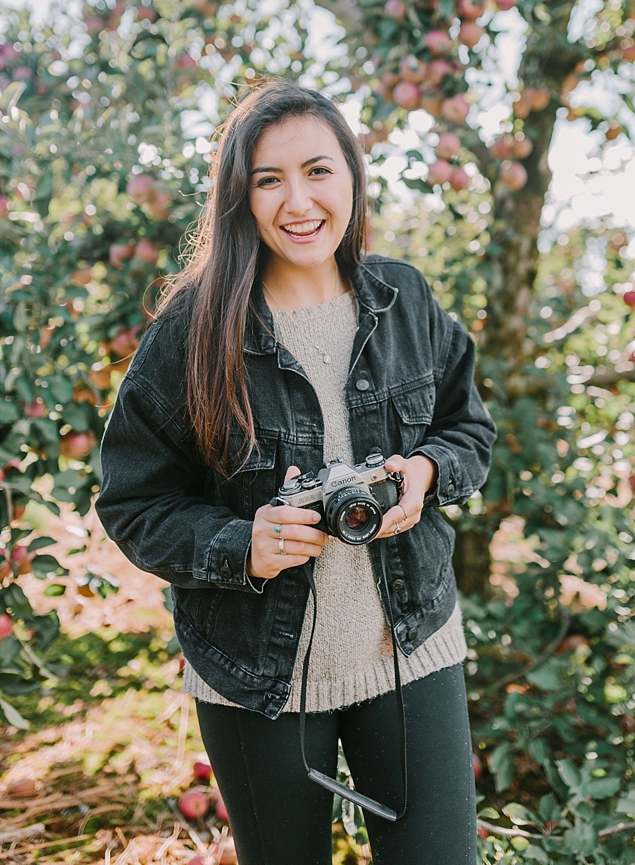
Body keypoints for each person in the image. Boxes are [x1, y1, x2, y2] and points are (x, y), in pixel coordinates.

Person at [95, 79, 494, 864]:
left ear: (351, 176)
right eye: (268, 180)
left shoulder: (405, 298)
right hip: (255, 672)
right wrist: (240, 542)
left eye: (318, 170)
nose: (298, 201)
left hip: (412, 648)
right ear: (238, 198)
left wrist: (423, 470)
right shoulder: (190, 333)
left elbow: (469, 430)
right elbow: (133, 501)